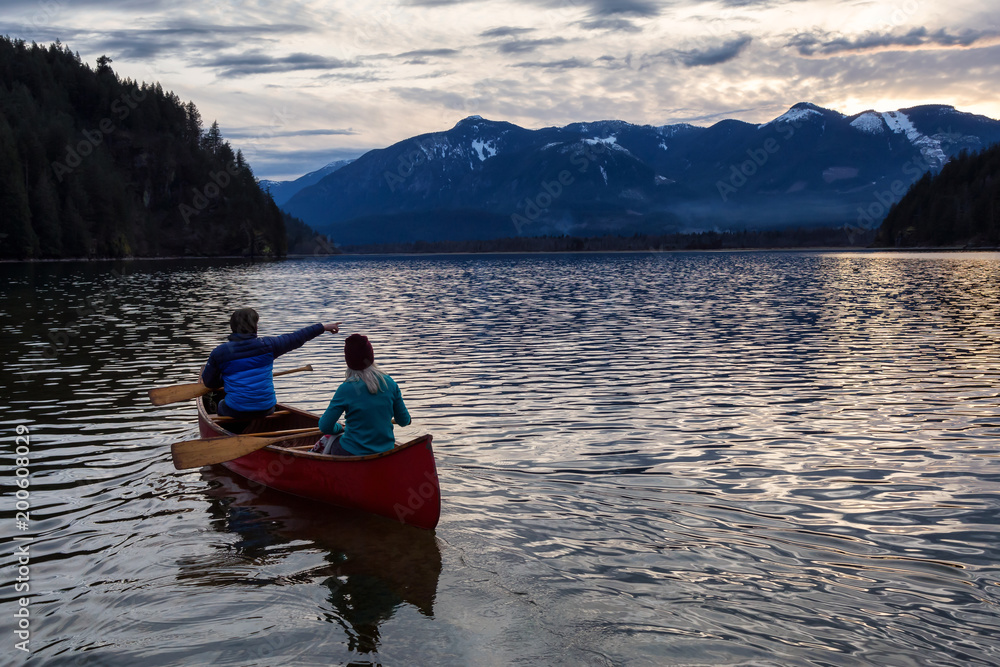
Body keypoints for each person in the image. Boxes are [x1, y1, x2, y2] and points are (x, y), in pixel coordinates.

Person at [202, 308, 341, 419]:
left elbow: (209, 383)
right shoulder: (269, 345)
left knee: (221, 404)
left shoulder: (219, 353)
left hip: (236, 410)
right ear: (254, 327)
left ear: (232, 327)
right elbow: (298, 337)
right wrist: (323, 327)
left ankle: (236, 431)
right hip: (267, 409)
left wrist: (224, 379)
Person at [315, 334, 411, 456]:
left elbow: (325, 426)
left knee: (328, 439)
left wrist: (338, 428)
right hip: (385, 452)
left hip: (351, 452)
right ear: (371, 357)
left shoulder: (346, 388)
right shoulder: (390, 383)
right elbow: (403, 421)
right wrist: (408, 420)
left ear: (348, 361)